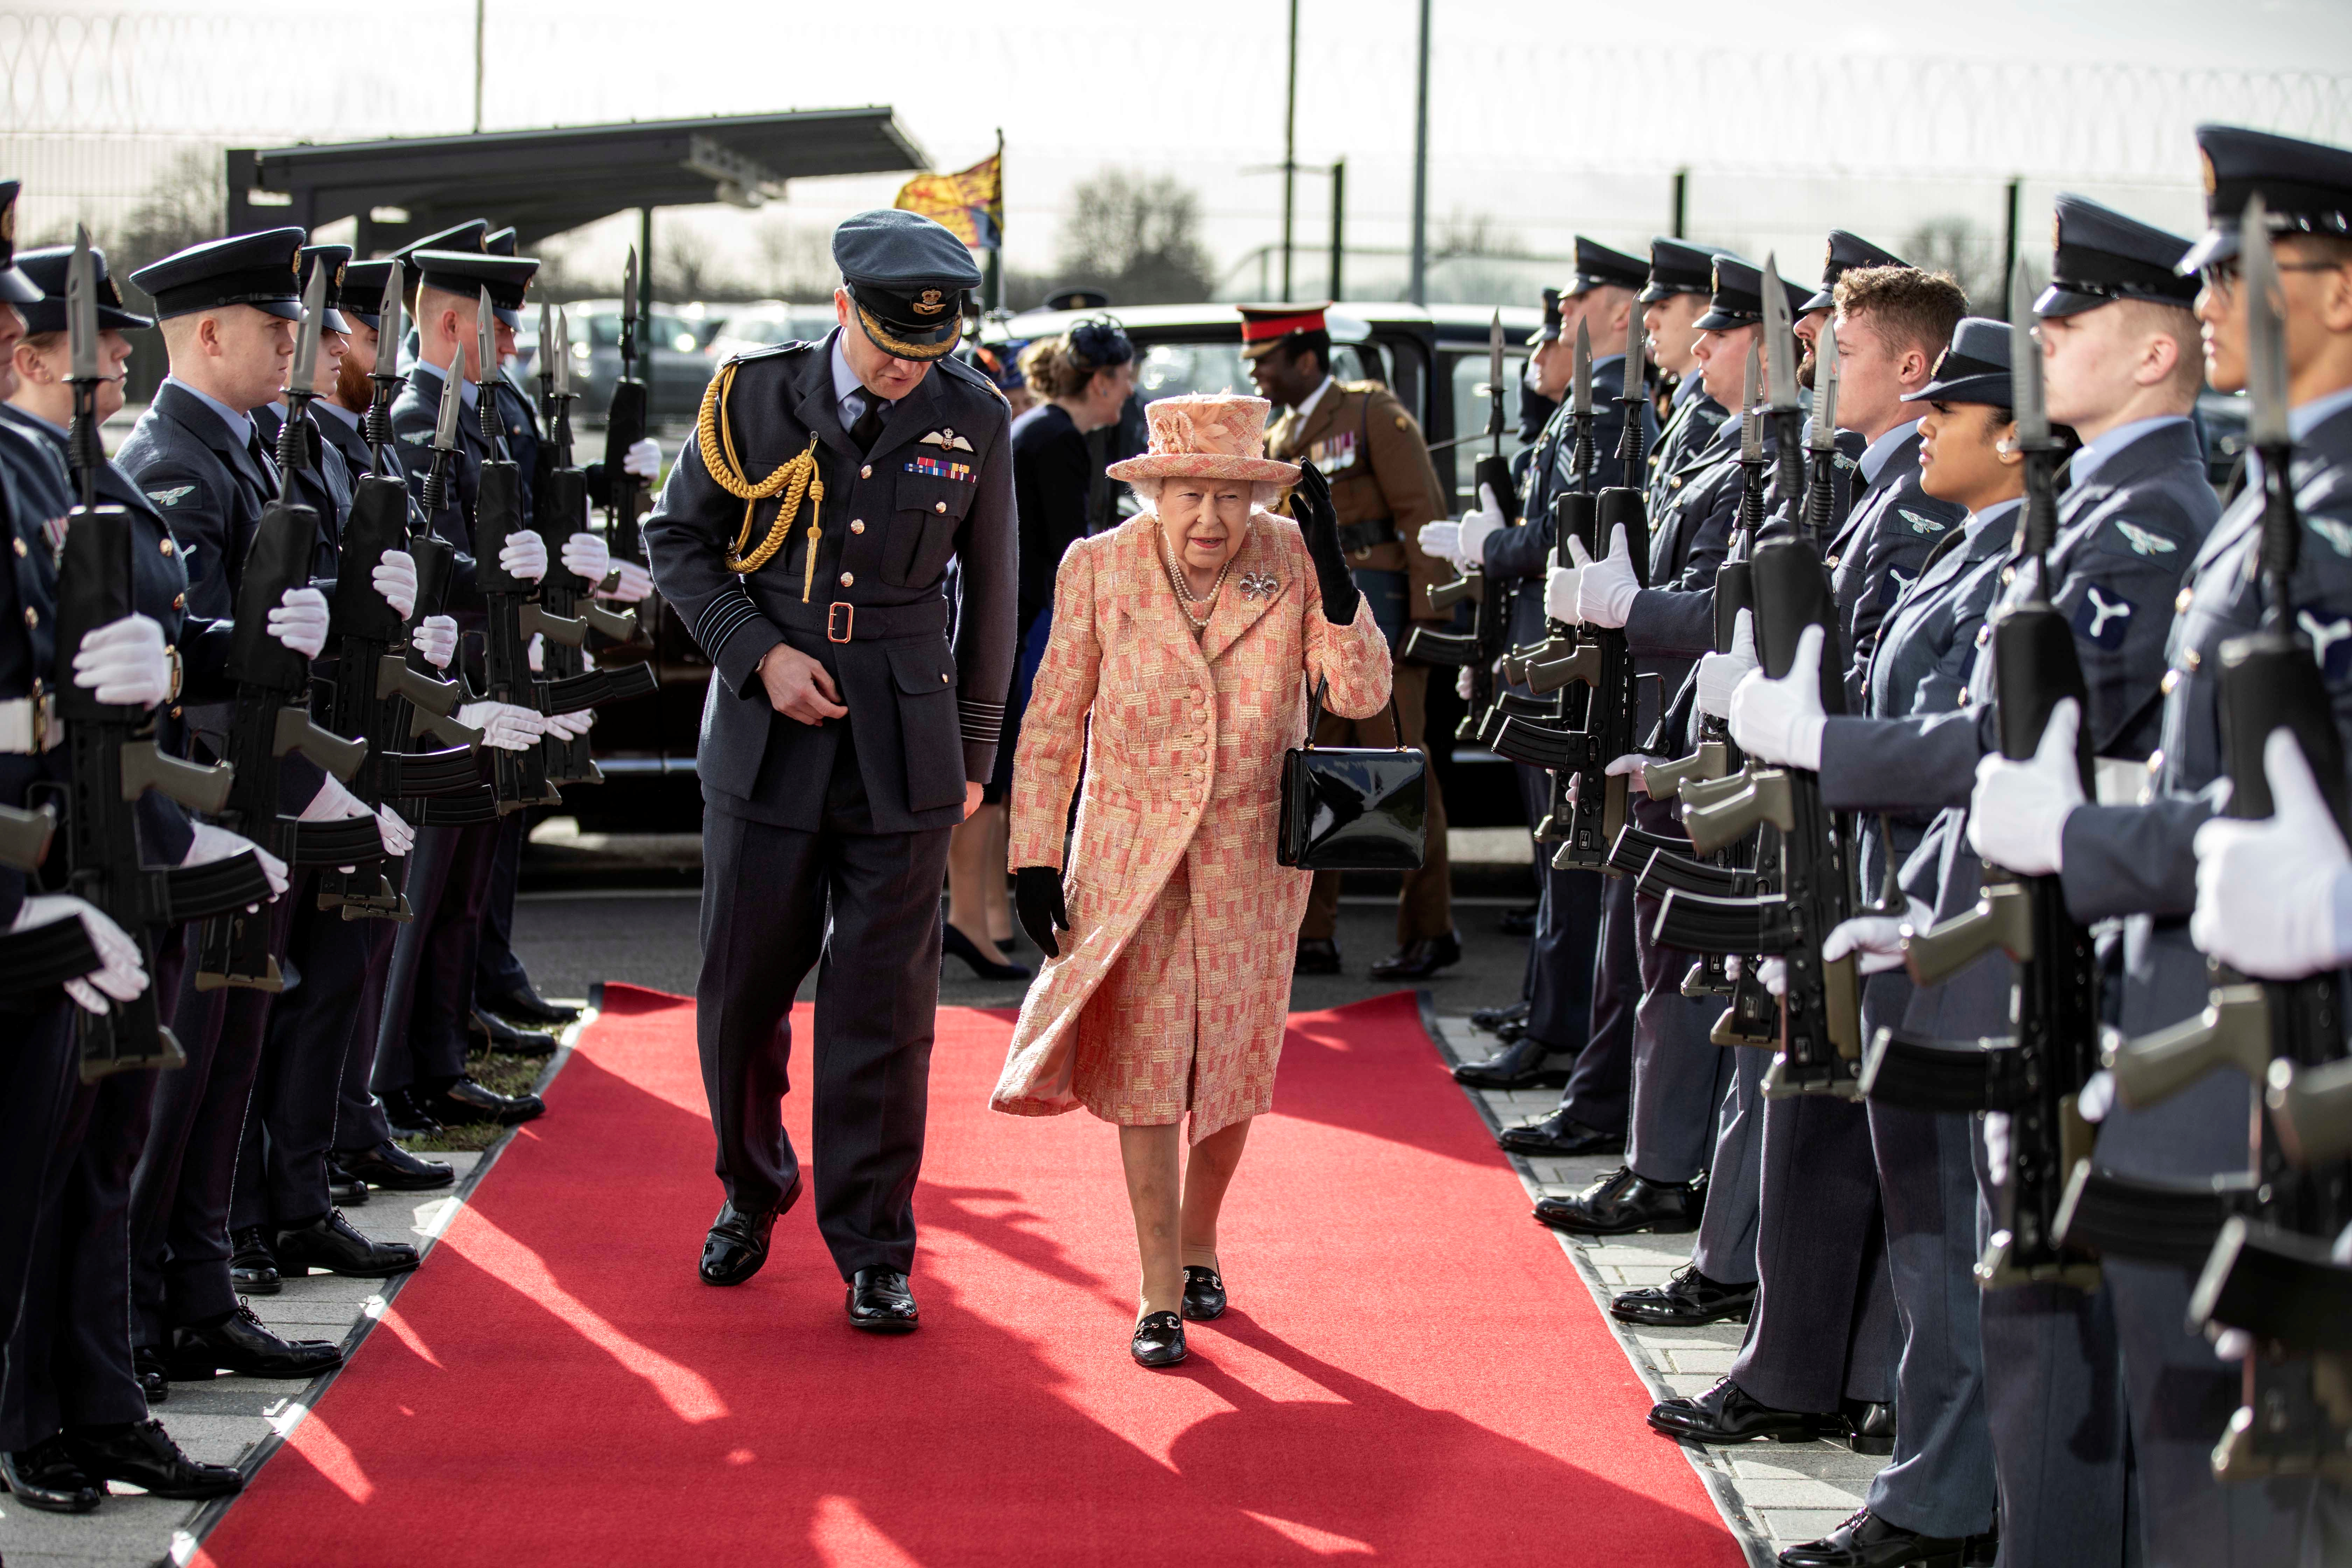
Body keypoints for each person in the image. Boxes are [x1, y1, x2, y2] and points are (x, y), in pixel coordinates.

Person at [1972, 123, 2352, 1567]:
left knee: (2244, 1481)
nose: (2209, 302)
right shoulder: (2271, 496)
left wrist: (2086, 837)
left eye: (2251, 266)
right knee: (2182, 1448)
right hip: (2186, 1013)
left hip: (2281, 1053)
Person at [645, 209, 1015, 1332]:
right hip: (768, 737)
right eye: (893, 346)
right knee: (741, 993)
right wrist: (759, 657)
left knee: (885, 1011)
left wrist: (979, 752)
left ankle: (874, 1246)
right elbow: (680, 544)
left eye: (930, 352)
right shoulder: (750, 398)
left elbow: (992, 592)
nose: (910, 372)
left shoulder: (977, 414)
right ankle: (750, 1190)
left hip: (906, 744)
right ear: (843, 307)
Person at [990, 394, 1392, 1367]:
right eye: (1189, 495)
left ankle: (1205, 1241)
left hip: (1254, 858)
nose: (1209, 519)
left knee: (1232, 1067)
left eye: (1230, 496)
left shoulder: (1290, 561)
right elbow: (1050, 723)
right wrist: (1035, 854)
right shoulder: (1099, 566)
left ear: (1259, 499)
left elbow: (1364, 693)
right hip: (1131, 859)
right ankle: (1157, 1287)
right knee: (1148, 1064)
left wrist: (1341, 585)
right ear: (1155, 493)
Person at [1432, 239, 1653, 1119]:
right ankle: (1546, 1007)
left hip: (1571, 660)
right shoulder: (1577, 411)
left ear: (1616, 310)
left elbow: (1568, 541)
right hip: (1540, 650)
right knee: (1550, 850)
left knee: (1571, 855)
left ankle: (1559, 1026)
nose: (1558, 320)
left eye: (1574, 304)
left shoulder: (1609, 415)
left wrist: (1492, 546)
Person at [1245, 302, 1454, 979]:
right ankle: (1313, 935)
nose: (1256, 371)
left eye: (1266, 359)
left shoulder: (1370, 413)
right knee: (1320, 772)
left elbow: (1422, 513)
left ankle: (1430, 930)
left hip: (1385, 623)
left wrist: (1427, 622)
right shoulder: (1279, 432)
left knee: (1404, 773)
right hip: (1317, 630)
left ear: (1307, 358)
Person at [941, 321, 1134, 985]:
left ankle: (987, 917)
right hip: (1011, 627)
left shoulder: (1045, 431)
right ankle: (968, 921)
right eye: (1126, 380)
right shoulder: (1056, 439)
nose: (1130, 394)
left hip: (1005, 620)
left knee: (995, 780)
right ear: (1102, 381)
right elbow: (1067, 557)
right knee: (988, 779)